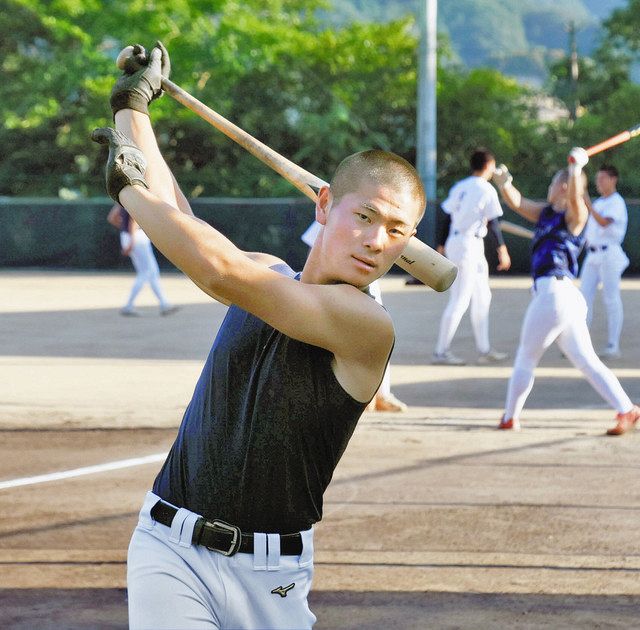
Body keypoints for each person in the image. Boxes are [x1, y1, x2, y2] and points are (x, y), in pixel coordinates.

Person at [92, 42, 426, 629]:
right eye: (365, 216)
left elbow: (216, 268)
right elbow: (191, 228)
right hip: (167, 545)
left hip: (270, 580)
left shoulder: (366, 326)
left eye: (397, 230)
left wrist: (127, 191)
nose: (377, 241)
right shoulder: (269, 273)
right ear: (324, 206)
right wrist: (133, 108)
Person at [492, 151, 639, 436]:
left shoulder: (576, 214)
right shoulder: (545, 212)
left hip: (555, 292)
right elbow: (518, 203)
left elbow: (575, 200)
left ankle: (510, 417)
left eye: (551, 185)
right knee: (585, 360)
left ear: (560, 186)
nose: (548, 190)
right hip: (561, 297)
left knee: (526, 356)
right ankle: (627, 408)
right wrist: (504, 184)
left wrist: (575, 170)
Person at [301, 220, 407, 412]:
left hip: (368, 277)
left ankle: (381, 394)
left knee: (378, 334)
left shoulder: (380, 214)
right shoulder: (340, 211)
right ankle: (353, 398)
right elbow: (314, 249)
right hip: (337, 282)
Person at [432, 149, 511, 365]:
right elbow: (493, 223)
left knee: (483, 296)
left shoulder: (461, 186)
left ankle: (484, 349)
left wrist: (440, 244)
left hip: (460, 243)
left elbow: (446, 217)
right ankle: (441, 352)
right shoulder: (486, 189)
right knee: (460, 299)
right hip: (468, 245)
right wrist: (502, 249)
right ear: (488, 165)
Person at [579, 165, 630, 359]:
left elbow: (604, 222)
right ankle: (580, 345)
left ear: (613, 179)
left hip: (609, 254)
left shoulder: (616, 202)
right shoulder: (599, 202)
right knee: (583, 298)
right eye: (597, 179)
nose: (598, 183)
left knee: (611, 298)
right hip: (592, 255)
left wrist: (587, 204)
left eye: (602, 179)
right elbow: (589, 232)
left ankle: (613, 345)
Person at [108, 201, 178, 316]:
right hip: (137, 239)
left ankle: (164, 303)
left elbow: (112, 218)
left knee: (150, 272)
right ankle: (130, 305)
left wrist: (126, 232)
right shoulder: (136, 197)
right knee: (148, 272)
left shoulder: (121, 199)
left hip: (128, 237)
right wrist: (132, 238)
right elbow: (133, 220)